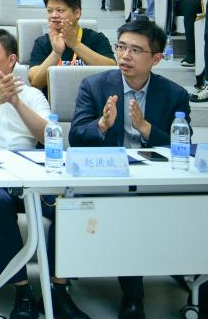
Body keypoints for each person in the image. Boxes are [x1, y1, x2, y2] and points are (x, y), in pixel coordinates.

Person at [0, 29, 86, 319]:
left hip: (31, 175)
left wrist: (16, 102)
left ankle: (58, 291)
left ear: (11, 60)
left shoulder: (32, 94)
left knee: (68, 206)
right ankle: (22, 291)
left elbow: (50, 138)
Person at [69, 19, 192, 319]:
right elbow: (76, 137)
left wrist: (146, 129)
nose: (125, 56)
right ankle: (133, 296)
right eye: (121, 47)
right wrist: (102, 125)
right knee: (127, 205)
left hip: (155, 179)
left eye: (136, 50)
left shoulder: (174, 94)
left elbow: (183, 146)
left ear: (157, 58)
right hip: (108, 178)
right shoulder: (94, 86)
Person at [26, 0, 114, 90]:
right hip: (55, 98)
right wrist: (56, 53)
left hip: (92, 97)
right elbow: (35, 81)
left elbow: (111, 70)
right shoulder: (42, 42)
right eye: (49, 11)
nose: (53, 15)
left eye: (60, 10)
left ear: (77, 13)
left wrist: (75, 45)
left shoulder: (96, 38)